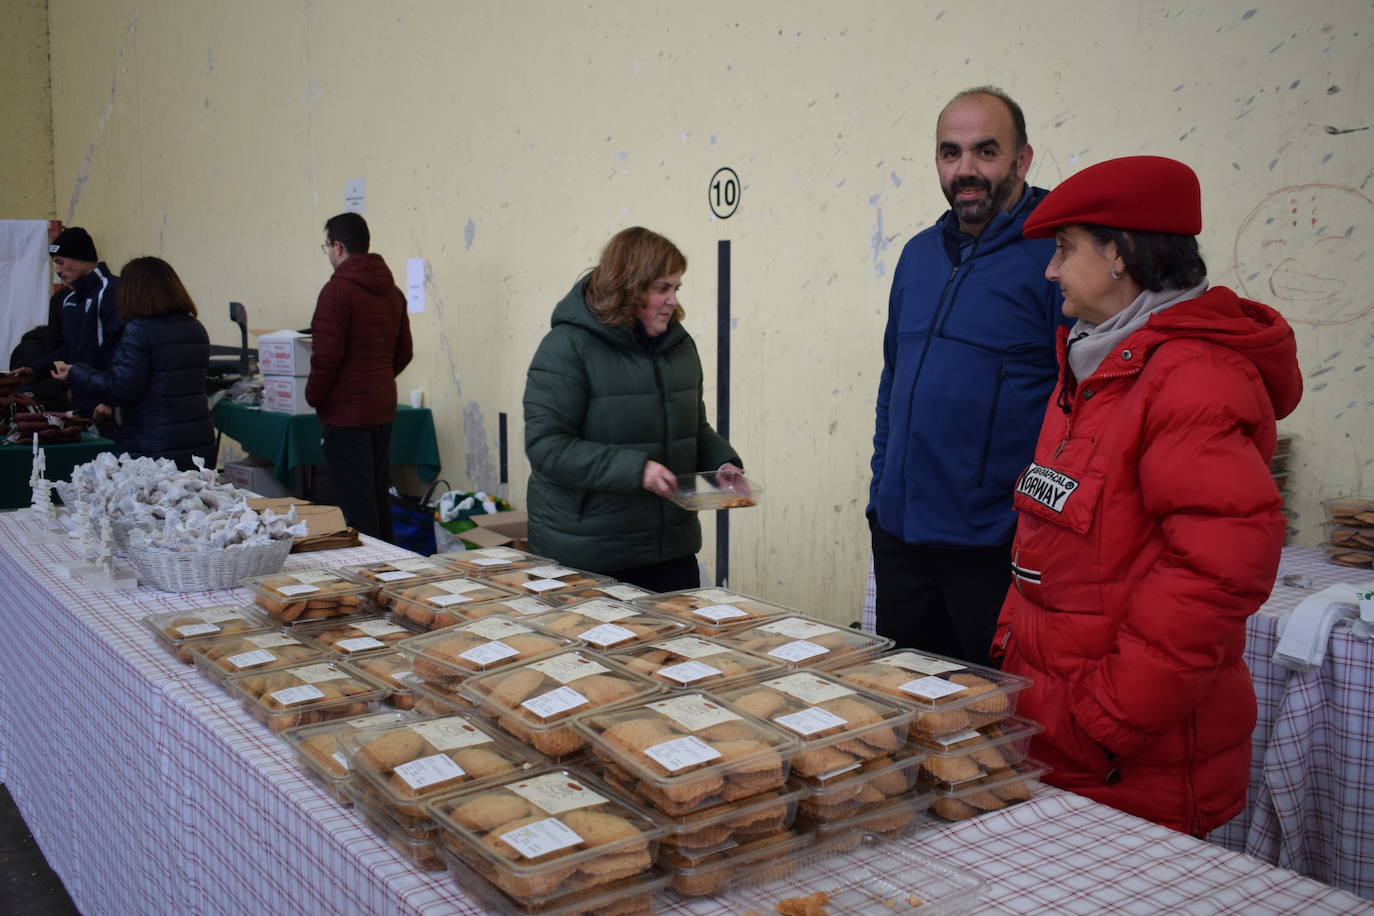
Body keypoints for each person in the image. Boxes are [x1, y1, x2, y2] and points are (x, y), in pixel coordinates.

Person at [990, 156, 1302, 836]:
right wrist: (1015, 652)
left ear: (1120, 255)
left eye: (1065, 250)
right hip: (1057, 731)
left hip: (1129, 760)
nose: (1051, 270)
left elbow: (1216, 573)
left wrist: (1106, 718)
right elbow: (1053, 531)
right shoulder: (1096, 362)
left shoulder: (1195, 379)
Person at [868, 87, 1066, 666]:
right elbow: (893, 383)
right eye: (950, 153)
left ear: (1022, 159)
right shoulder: (918, 256)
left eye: (985, 151)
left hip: (992, 545)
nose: (966, 170)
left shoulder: (1053, 260)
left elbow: (1077, 406)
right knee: (909, 716)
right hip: (902, 538)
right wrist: (882, 493)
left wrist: (1030, 521)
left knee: (990, 725)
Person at [523, 226, 742, 591]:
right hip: (587, 557)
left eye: (677, 288)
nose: (673, 300)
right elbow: (548, 446)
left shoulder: (679, 346)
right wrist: (635, 469)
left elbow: (694, 427)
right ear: (628, 287)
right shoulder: (567, 348)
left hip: (670, 550)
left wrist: (723, 464)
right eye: (662, 288)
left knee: (678, 648)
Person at [306, 212, 413, 543]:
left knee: (356, 504)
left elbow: (326, 358)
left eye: (327, 245)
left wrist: (314, 397)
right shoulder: (392, 292)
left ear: (338, 246)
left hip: (346, 416)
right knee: (378, 495)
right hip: (381, 408)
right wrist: (377, 379)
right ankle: (388, 570)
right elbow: (404, 352)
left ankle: (367, 577)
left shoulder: (336, 292)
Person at [55, 257, 215, 469]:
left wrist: (76, 373)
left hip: (153, 445)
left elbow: (123, 388)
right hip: (198, 441)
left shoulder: (139, 330)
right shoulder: (195, 327)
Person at [17, 227, 121, 427]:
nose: (57, 270)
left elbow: (123, 351)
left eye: (60, 261)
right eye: (55, 262)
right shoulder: (67, 300)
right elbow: (70, 349)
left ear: (81, 258)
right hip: (82, 406)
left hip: (108, 406)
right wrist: (34, 370)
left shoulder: (113, 291)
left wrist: (111, 401)